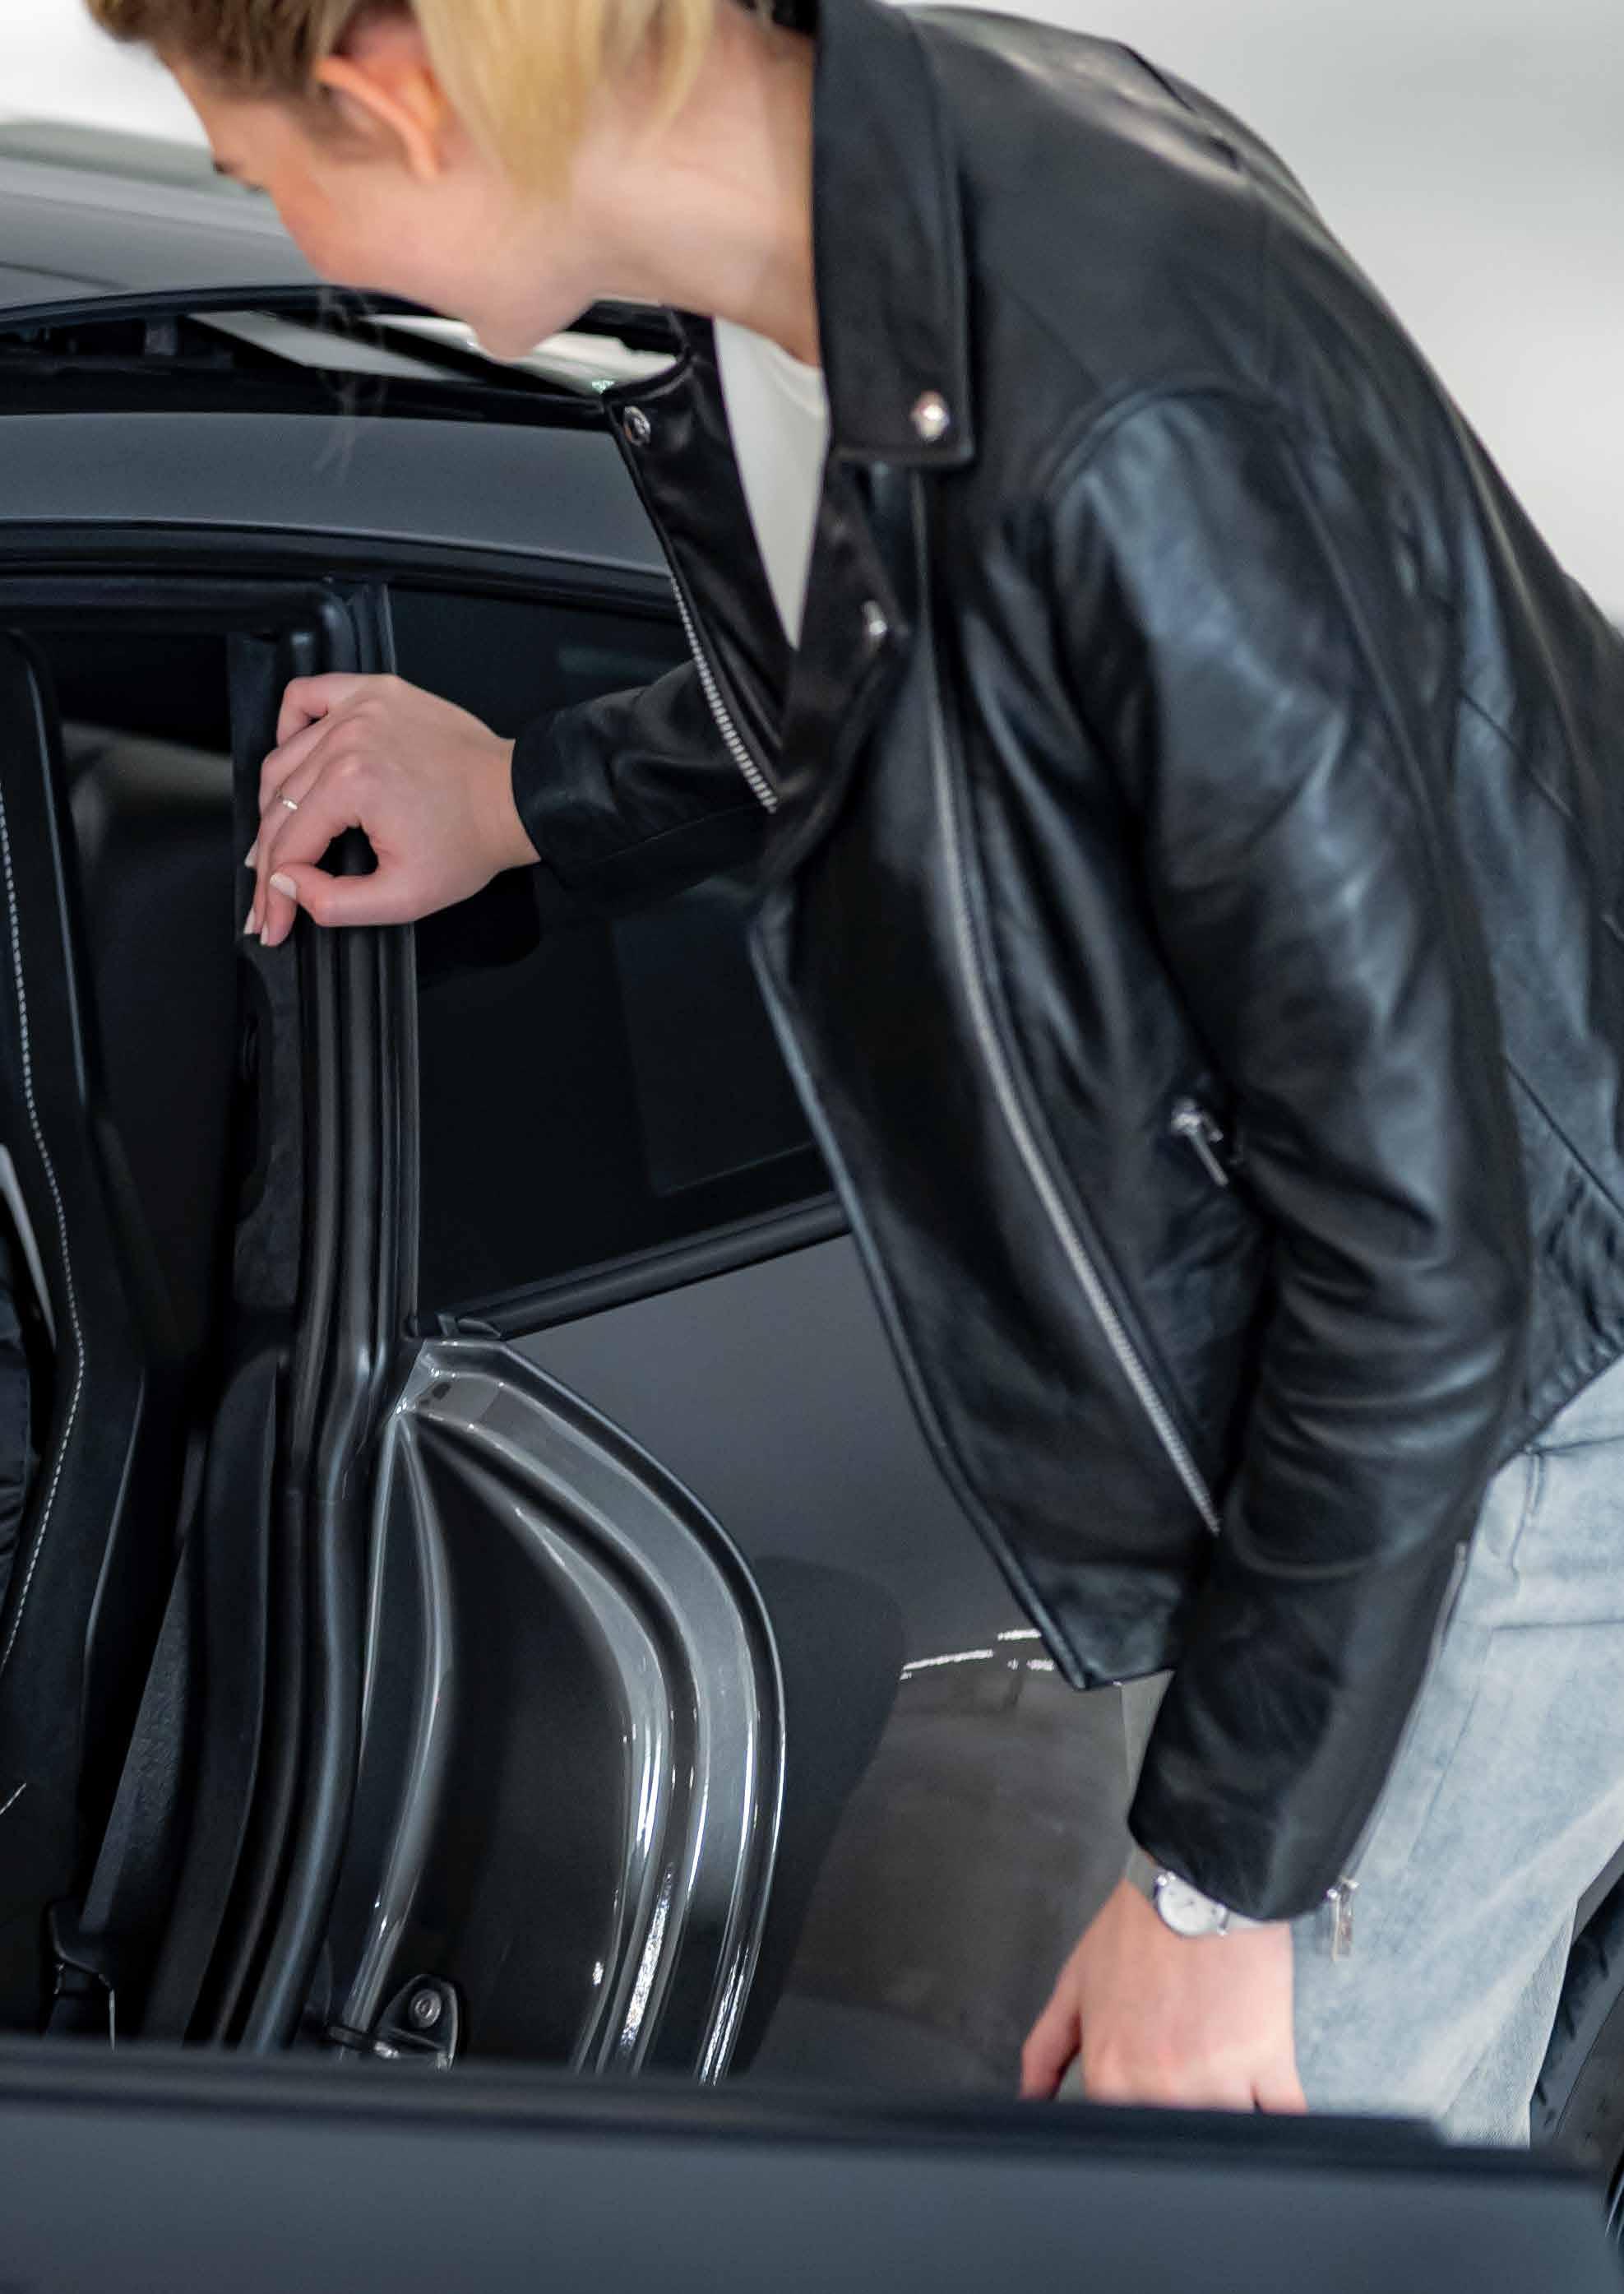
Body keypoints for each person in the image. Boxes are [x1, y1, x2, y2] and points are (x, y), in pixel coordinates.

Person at [87, 0, 1624, 2143]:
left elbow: (1429, 1254)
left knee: (1273, 2204)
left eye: (265, 166)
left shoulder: (1113, 402)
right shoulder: (844, 243)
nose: (288, 228)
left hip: (1534, 1388)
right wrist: (525, 793)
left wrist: (1213, 1891)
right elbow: (919, 687)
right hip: (1408, 1337)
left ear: (396, 97)